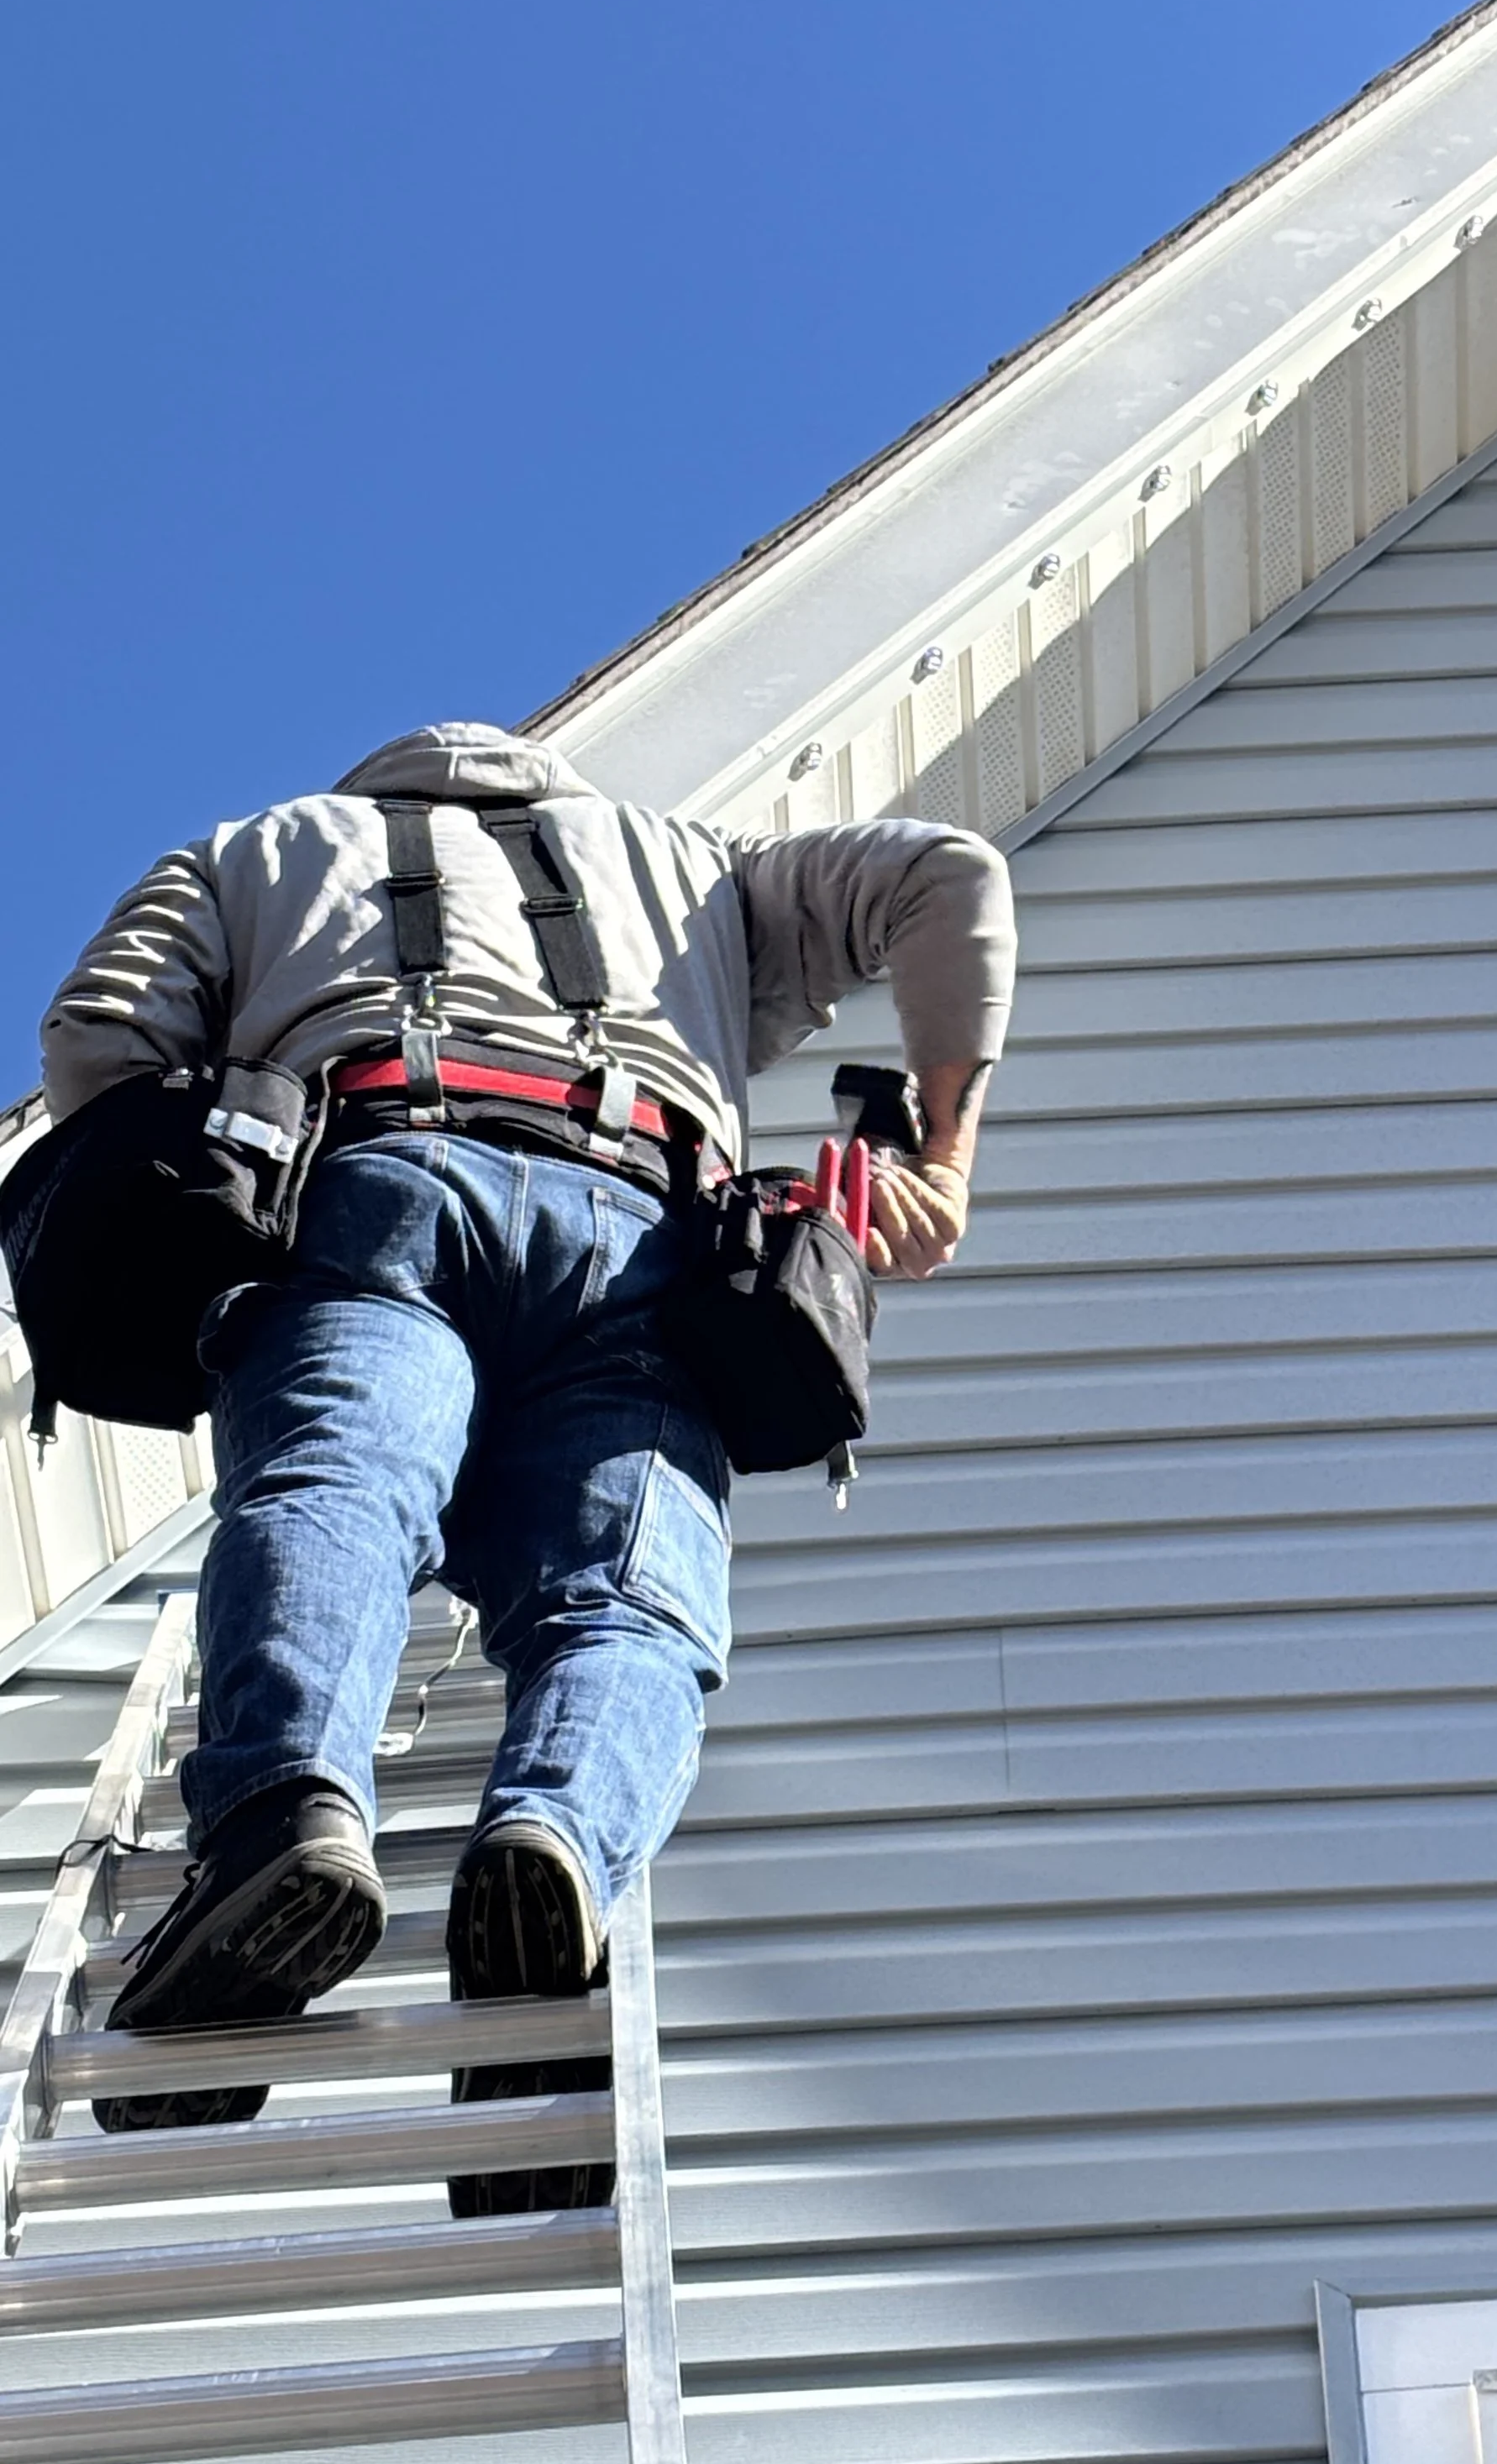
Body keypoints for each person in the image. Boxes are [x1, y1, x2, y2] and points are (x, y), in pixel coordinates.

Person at [41, 720, 1016, 2209]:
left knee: (338, 1490)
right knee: (629, 1605)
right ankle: (554, 1843)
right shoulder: (702, 878)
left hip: (378, 1175)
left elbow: (101, 1042)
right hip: (649, 1227)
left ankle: (286, 1819)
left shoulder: (252, 851)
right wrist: (939, 1154)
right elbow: (951, 874)